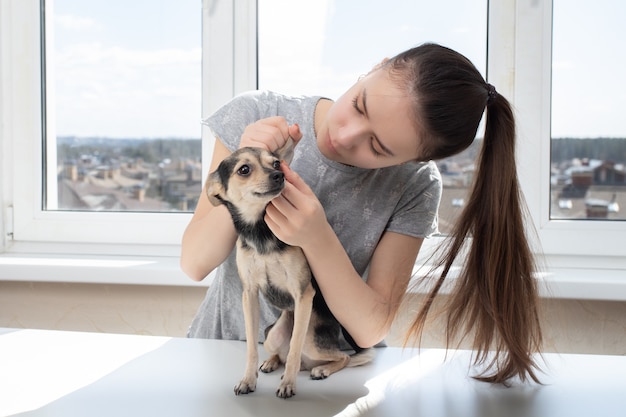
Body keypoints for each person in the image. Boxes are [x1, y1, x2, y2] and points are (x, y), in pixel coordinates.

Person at [180, 43, 543, 384]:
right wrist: (246, 165)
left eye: (377, 147)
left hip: (331, 377)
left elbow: (370, 328)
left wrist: (316, 237)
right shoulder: (258, 113)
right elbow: (194, 262)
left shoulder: (414, 184)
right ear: (375, 68)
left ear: (413, 160)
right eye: (359, 105)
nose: (346, 135)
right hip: (220, 356)